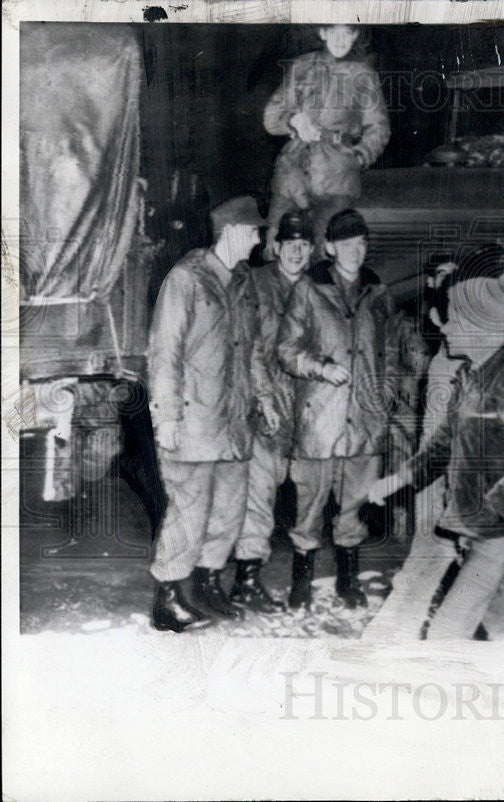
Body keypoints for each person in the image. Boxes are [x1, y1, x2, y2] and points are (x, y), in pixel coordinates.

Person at [368, 263, 504, 640]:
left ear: (479, 329)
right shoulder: (468, 379)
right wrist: (397, 480)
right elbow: (442, 445)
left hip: (501, 526)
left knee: (447, 631)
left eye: (453, 319)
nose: (445, 326)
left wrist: (495, 507)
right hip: (476, 524)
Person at [147, 197, 273, 632]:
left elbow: (253, 352)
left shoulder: (243, 283)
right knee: (190, 513)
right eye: (254, 231)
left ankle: (205, 585)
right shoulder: (185, 280)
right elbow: (165, 353)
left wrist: (266, 398)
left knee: (228, 512)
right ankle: (169, 599)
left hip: (235, 423)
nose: (258, 238)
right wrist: (166, 417)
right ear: (233, 232)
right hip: (195, 421)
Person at [276, 208, 398, 610]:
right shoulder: (309, 290)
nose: (355, 251)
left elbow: (390, 354)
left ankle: (349, 582)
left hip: (364, 422)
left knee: (353, 510)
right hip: (321, 422)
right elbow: (287, 351)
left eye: (361, 242)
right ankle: (301, 583)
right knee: (309, 510)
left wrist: (385, 399)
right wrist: (321, 368)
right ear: (329, 248)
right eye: (346, 243)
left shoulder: (378, 292)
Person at [229, 211, 314, 612]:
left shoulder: (319, 291)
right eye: (289, 243)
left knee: (305, 498)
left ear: (312, 250)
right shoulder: (255, 283)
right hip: (263, 407)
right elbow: (247, 345)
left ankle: (303, 582)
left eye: (304, 244)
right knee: (257, 496)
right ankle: (246, 581)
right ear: (275, 246)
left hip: (307, 412)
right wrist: (262, 397)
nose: (296, 251)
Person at [262, 24, 390, 257]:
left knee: (325, 253)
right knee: (277, 247)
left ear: (355, 36)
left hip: (337, 177)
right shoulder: (300, 66)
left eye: (347, 33)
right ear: (323, 33)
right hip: (292, 171)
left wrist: (358, 158)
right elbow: (270, 118)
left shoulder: (363, 75)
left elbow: (379, 129)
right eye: (334, 32)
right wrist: (294, 121)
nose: (341, 40)